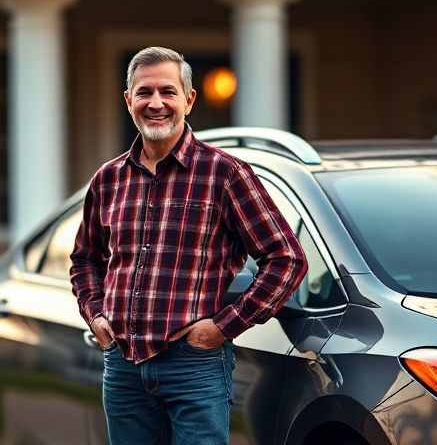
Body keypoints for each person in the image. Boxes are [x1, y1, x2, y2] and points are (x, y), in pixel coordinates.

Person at [69, 46, 309, 445]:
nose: (156, 103)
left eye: (168, 91)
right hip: (123, 367)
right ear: (128, 101)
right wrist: (96, 315)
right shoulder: (108, 179)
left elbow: (286, 258)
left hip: (194, 365)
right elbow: (85, 259)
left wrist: (224, 326)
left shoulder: (225, 174)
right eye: (144, 93)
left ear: (189, 99)